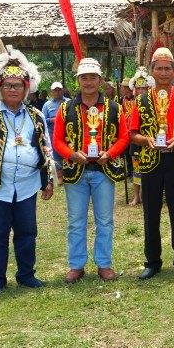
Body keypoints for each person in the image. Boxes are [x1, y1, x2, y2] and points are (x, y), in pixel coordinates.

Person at [0, 49, 54, 296]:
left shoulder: (36, 116)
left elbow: (45, 149)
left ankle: (26, 274)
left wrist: (47, 179)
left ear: (27, 88)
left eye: (18, 85)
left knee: (27, 232)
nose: (13, 89)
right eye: (8, 85)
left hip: (26, 186)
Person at [53, 58, 129, 283]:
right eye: (84, 78)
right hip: (76, 171)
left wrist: (111, 153)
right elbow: (57, 139)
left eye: (92, 77)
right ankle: (76, 265)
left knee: (105, 220)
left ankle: (103, 264)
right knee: (76, 221)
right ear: (78, 81)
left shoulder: (114, 107)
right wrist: (71, 154)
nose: (88, 82)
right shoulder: (66, 107)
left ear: (100, 79)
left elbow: (123, 136)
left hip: (103, 171)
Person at [130, 48, 174, 280]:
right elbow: (133, 134)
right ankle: (152, 261)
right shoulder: (140, 100)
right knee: (150, 213)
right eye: (158, 68)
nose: (163, 72)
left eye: (167, 68)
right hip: (150, 162)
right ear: (152, 71)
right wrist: (146, 140)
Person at [126, 66, 155, 206]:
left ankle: (148, 195)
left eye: (143, 88)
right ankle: (136, 196)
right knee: (136, 167)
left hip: (150, 140)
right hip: (135, 141)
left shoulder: (155, 103)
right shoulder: (129, 104)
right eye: (139, 88)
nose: (141, 91)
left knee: (150, 168)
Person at [42, 82, 69, 185]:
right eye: (55, 90)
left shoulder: (69, 102)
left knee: (68, 151)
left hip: (68, 132)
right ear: (52, 92)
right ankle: (60, 176)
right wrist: (52, 120)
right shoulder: (47, 105)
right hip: (53, 131)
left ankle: (70, 173)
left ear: (62, 90)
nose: (57, 92)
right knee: (57, 153)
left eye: (59, 90)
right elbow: (43, 119)